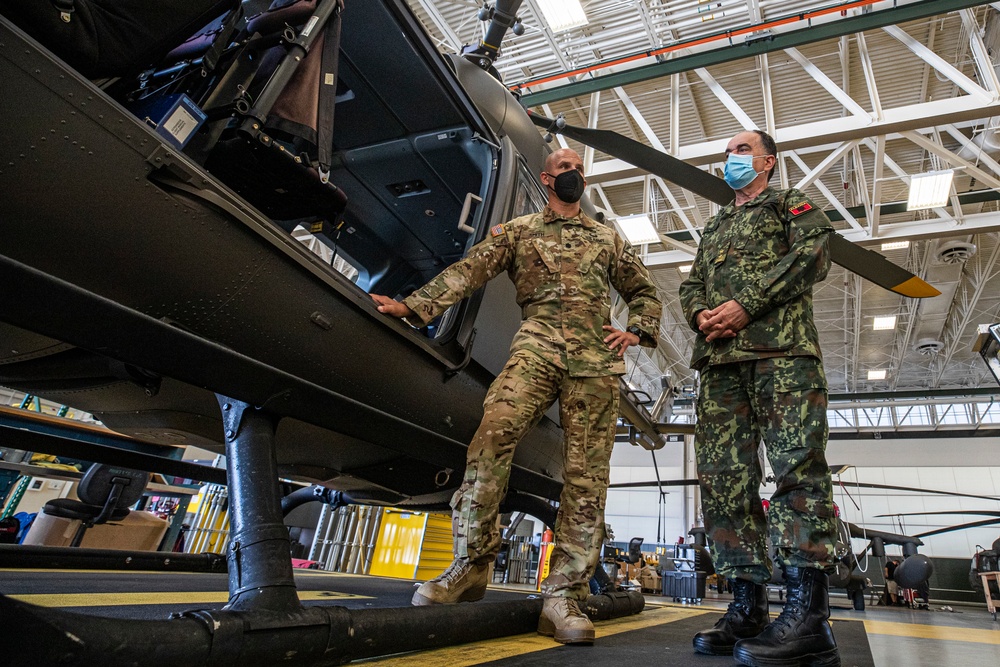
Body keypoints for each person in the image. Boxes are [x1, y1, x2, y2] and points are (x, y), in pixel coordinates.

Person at [370, 148, 662, 645]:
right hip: (536, 346)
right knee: (489, 443)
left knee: (585, 476)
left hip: (595, 359)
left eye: (579, 169)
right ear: (548, 178)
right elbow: (470, 271)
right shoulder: (520, 230)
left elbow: (644, 290)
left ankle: (564, 595)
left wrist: (638, 331)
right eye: (565, 168)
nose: (575, 174)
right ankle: (472, 565)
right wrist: (413, 305)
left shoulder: (607, 238)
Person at [679, 129, 840, 666]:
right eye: (727, 152)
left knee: (797, 472)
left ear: (768, 161)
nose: (731, 159)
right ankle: (746, 607)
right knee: (725, 482)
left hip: (782, 355)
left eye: (742, 150)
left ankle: (808, 618)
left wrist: (747, 303)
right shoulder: (717, 223)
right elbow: (691, 284)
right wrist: (699, 313)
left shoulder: (789, 205)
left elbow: (816, 251)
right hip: (721, 365)